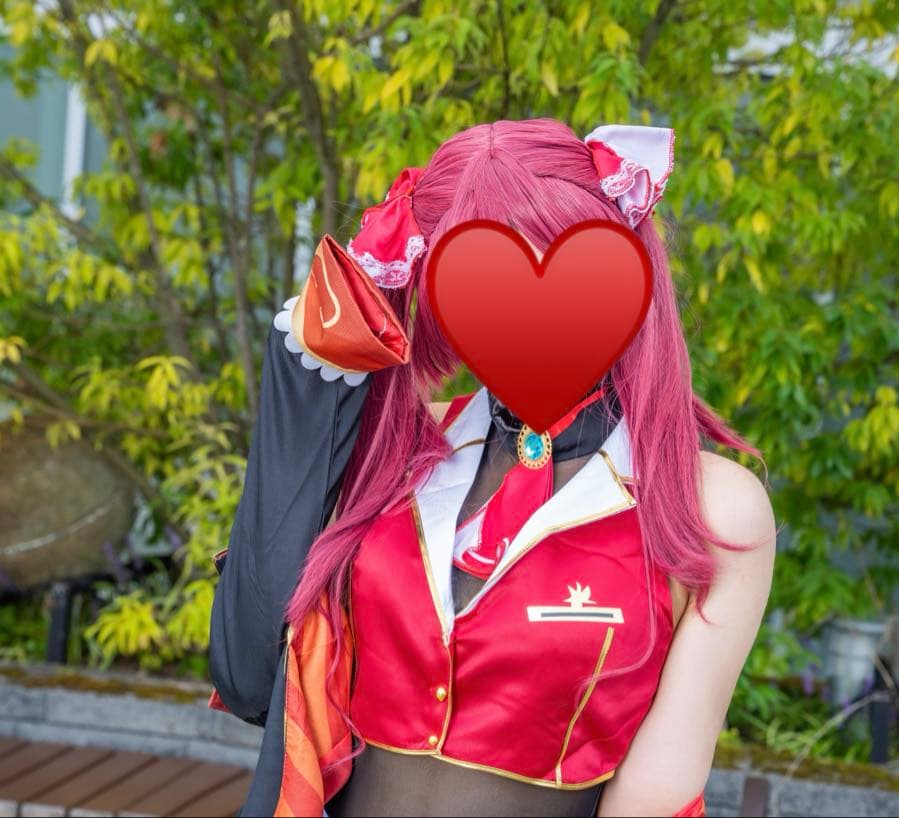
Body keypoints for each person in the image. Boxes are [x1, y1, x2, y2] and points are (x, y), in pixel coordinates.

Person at [208, 118, 776, 818]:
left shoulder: (710, 509)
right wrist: (311, 376)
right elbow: (248, 672)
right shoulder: (399, 454)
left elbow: (655, 798)